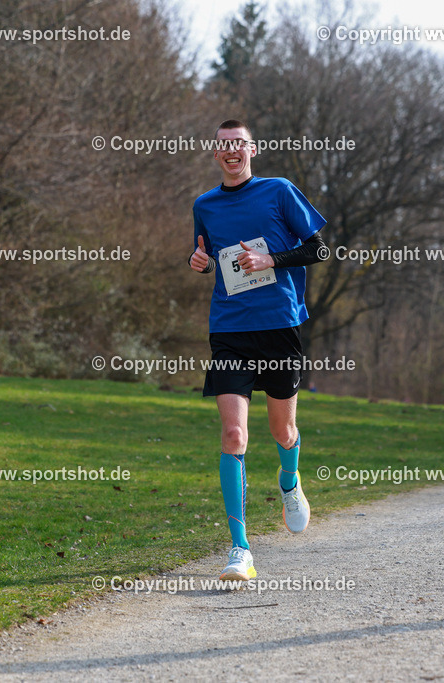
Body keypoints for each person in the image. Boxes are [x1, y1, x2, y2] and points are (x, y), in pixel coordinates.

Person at [188, 119, 329, 581]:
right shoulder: (204, 205)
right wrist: (199, 261)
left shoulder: (279, 191)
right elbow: (208, 257)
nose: (232, 152)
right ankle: (239, 548)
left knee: (282, 430)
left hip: (279, 326)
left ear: (252, 150)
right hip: (229, 329)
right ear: (216, 154)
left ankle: (289, 481)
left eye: (239, 145)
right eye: (224, 146)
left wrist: (271, 259)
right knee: (233, 436)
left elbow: (318, 249)